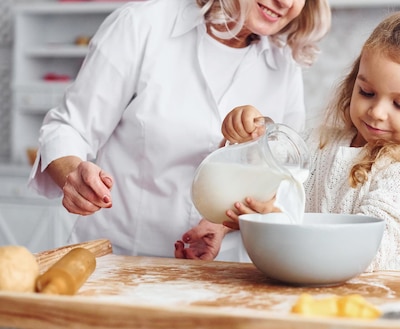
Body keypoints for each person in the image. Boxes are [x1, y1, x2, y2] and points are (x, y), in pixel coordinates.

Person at [27, 0, 331, 259]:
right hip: (120, 260)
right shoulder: (142, 25)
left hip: (223, 273)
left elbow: (283, 179)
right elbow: (69, 127)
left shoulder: (285, 62)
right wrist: (72, 172)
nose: (287, 3)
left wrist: (226, 223)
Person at [216, 7, 400, 271]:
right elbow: (263, 180)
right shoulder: (319, 142)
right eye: (367, 92)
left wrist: (281, 224)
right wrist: (246, 137)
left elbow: (365, 250)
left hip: (372, 302)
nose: (377, 112)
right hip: (307, 295)